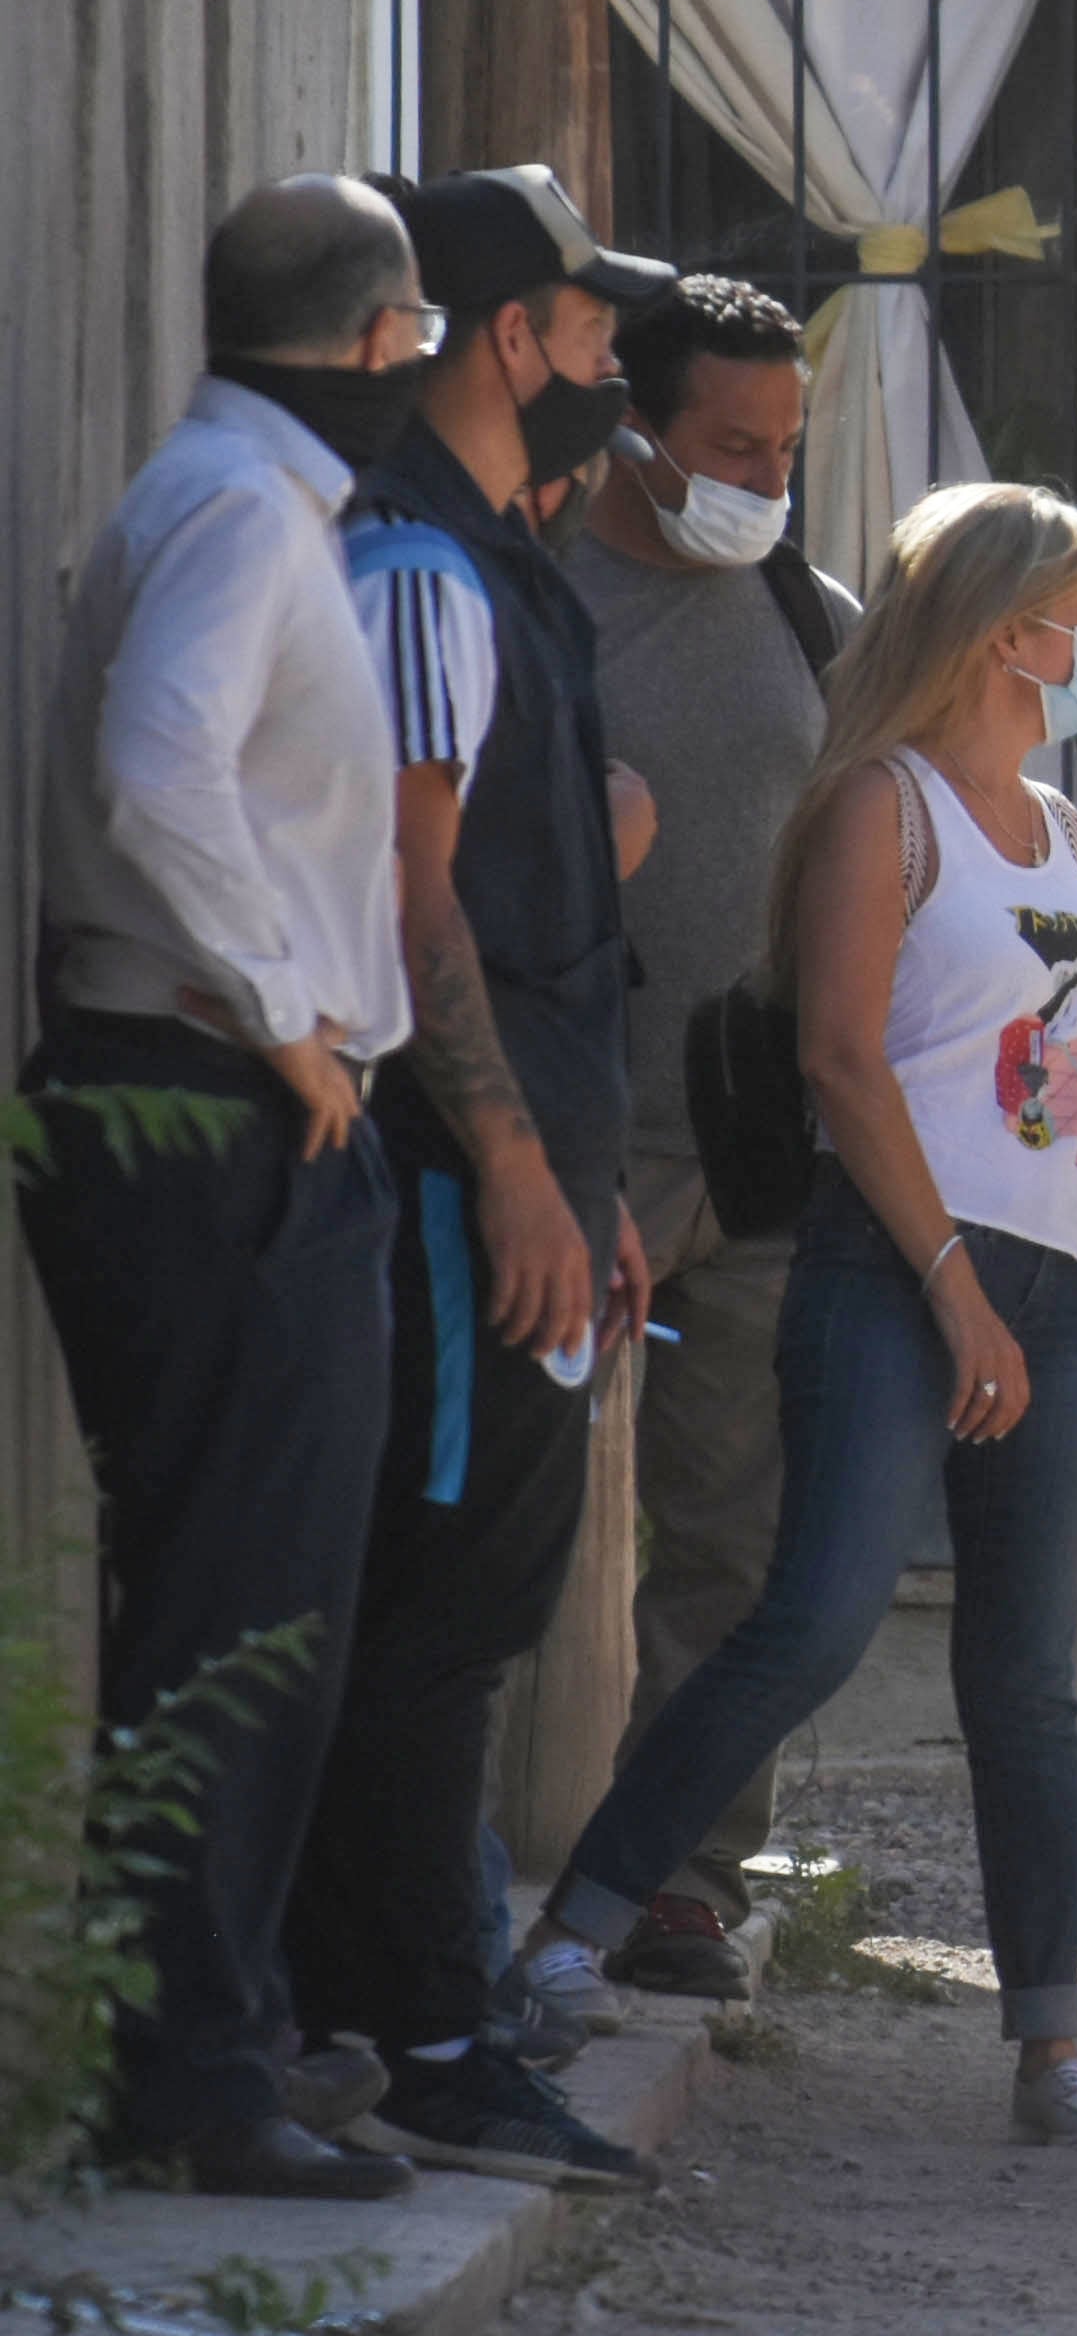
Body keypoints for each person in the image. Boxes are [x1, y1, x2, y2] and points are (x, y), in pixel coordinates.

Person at [504, 484, 1077, 2149]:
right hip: (892, 1275)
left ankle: (1051, 2047)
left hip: (1060, 1291)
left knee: (1029, 1681)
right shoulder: (884, 807)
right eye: (1076, 603)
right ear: (1003, 624)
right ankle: (572, 1934)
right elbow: (841, 1062)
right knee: (812, 1619)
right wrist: (955, 1288)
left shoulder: (1065, 826)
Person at [19, 178, 435, 2199]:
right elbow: (154, 761)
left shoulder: (223, 491)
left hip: (196, 1093)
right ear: (377, 339)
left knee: (251, 1594)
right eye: (417, 337)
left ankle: (225, 2026)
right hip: (212, 1107)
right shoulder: (249, 515)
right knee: (236, 1612)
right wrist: (284, 1019)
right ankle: (195, 2075)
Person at [279, 164, 673, 2192]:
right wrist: (512, 1166)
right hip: (448, 1188)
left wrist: (581, 1174)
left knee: (478, 1595)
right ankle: (424, 2031)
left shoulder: (498, 558)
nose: (617, 362)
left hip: (528, 1174)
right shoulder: (420, 568)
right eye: (597, 325)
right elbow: (415, 902)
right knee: (431, 1613)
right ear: (510, 335)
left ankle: (397, 2004)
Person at [568, 273, 848, 2002]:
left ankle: (683, 1876)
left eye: (788, 445)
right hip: (552, 1147)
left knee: (734, 1541)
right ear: (635, 430)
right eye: (730, 444)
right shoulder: (532, 598)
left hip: (753, 1158)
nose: (763, 474)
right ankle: (441, 1873)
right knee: (491, 1543)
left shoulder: (810, 614)